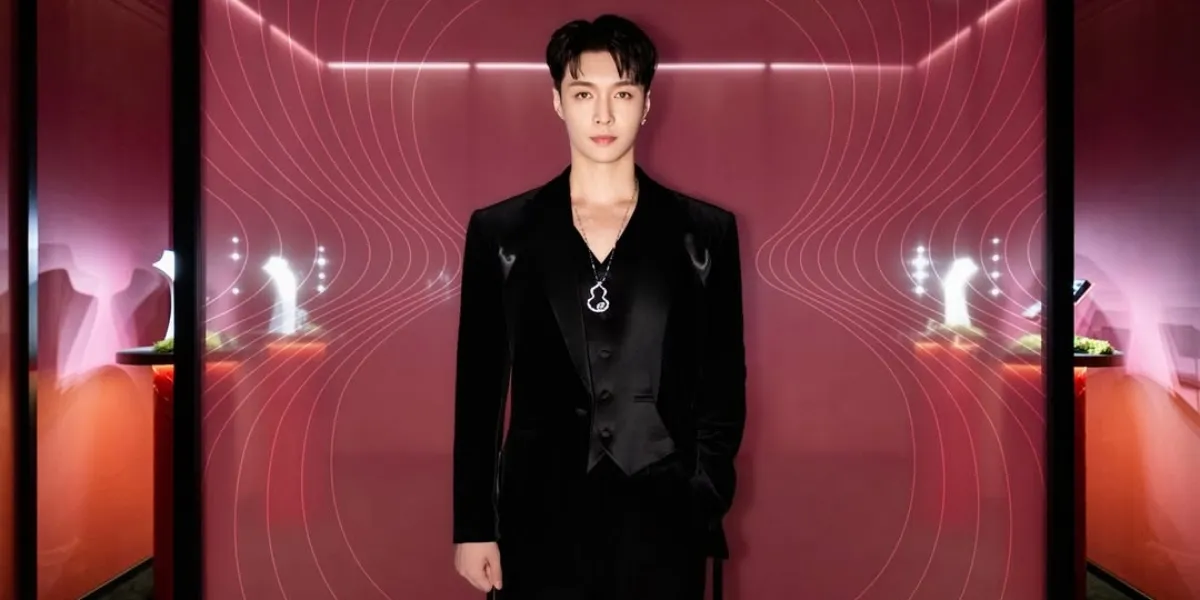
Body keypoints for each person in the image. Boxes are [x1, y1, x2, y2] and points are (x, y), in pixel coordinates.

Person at [452, 14, 747, 600]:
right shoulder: (502, 233)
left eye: (623, 94)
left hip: (664, 516)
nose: (604, 115)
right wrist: (474, 526)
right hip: (536, 513)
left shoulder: (704, 234)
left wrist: (704, 496)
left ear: (647, 104)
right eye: (585, 93)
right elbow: (479, 391)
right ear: (557, 101)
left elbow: (723, 384)